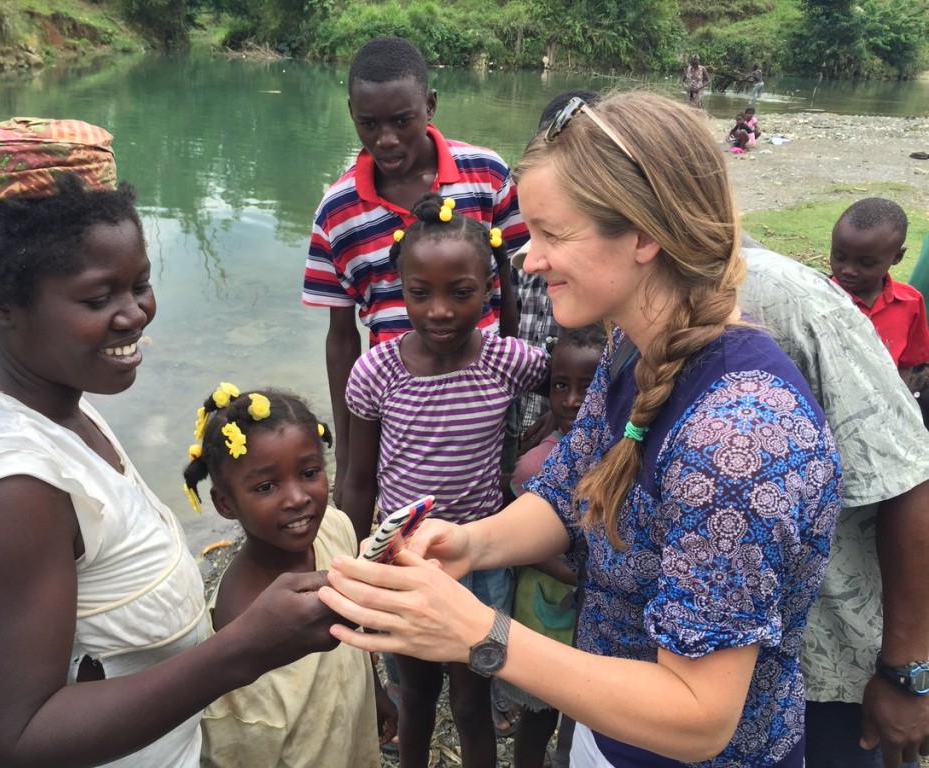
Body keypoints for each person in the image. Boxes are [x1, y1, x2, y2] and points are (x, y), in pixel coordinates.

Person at [318, 91, 843, 768]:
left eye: (551, 234)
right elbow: (570, 490)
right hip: (606, 728)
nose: (528, 261)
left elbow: (699, 716)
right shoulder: (632, 349)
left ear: (643, 235)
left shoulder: (738, 440)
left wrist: (480, 631)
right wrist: (469, 545)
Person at [0, 118, 341, 768]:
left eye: (139, 283)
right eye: (98, 296)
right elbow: (14, 740)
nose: (135, 314)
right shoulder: (4, 491)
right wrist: (244, 647)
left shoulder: (45, 393)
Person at [341, 192, 549, 768]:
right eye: (419, 293)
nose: (439, 311)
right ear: (397, 288)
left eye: (460, 293)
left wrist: (540, 445)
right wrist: (354, 562)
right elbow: (358, 480)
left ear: (488, 288)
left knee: (471, 696)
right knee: (417, 695)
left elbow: (570, 388)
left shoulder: (506, 360)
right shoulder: (376, 372)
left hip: (480, 560)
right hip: (404, 559)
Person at [301, 35, 528, 508]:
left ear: (430, 105)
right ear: (350, 113)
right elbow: (342, 337)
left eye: (402, 120)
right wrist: (346, 447)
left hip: (481, 397)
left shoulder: (485, 174)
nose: (386, 139)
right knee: (396, 513)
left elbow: (516, 280)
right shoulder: (336, 212)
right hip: (396, 404)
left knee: (490, 502)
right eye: (368, 123)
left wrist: (513, 381)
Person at [738, 241, 929, 768]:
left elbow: (906, 477)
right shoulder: (620, 320)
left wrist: (907, 675)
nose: (541, 256)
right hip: (721, 665)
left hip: (825, 664)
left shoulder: (785, 300)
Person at [182, 385, 396, 767]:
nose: (298, 497)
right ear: (225, 503)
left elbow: (351, 640)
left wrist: (373, 692)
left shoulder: (335, 528)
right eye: (266, 486)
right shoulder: (239, 626)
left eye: (310, 472)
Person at [499, 323, 606, 768]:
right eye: (561, 386)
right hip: (547, 605)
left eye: (589, 385)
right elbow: (512, 534)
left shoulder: (627, 453)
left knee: (588, 708)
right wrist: (571, 572)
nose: (571, 400)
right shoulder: (537, 463)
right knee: (540, 709)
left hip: (598, 613)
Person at [511, 88, 600, 447]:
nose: (536, 262)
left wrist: (561, 405)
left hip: (579, 426)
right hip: (525, 419)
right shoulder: (525, 261)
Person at [828, 198, 929, 390]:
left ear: (896, 258)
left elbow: (907, 363)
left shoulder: (910, 302)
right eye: (839, 257)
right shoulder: (815, 297)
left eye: (865, 263)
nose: (848, 270)